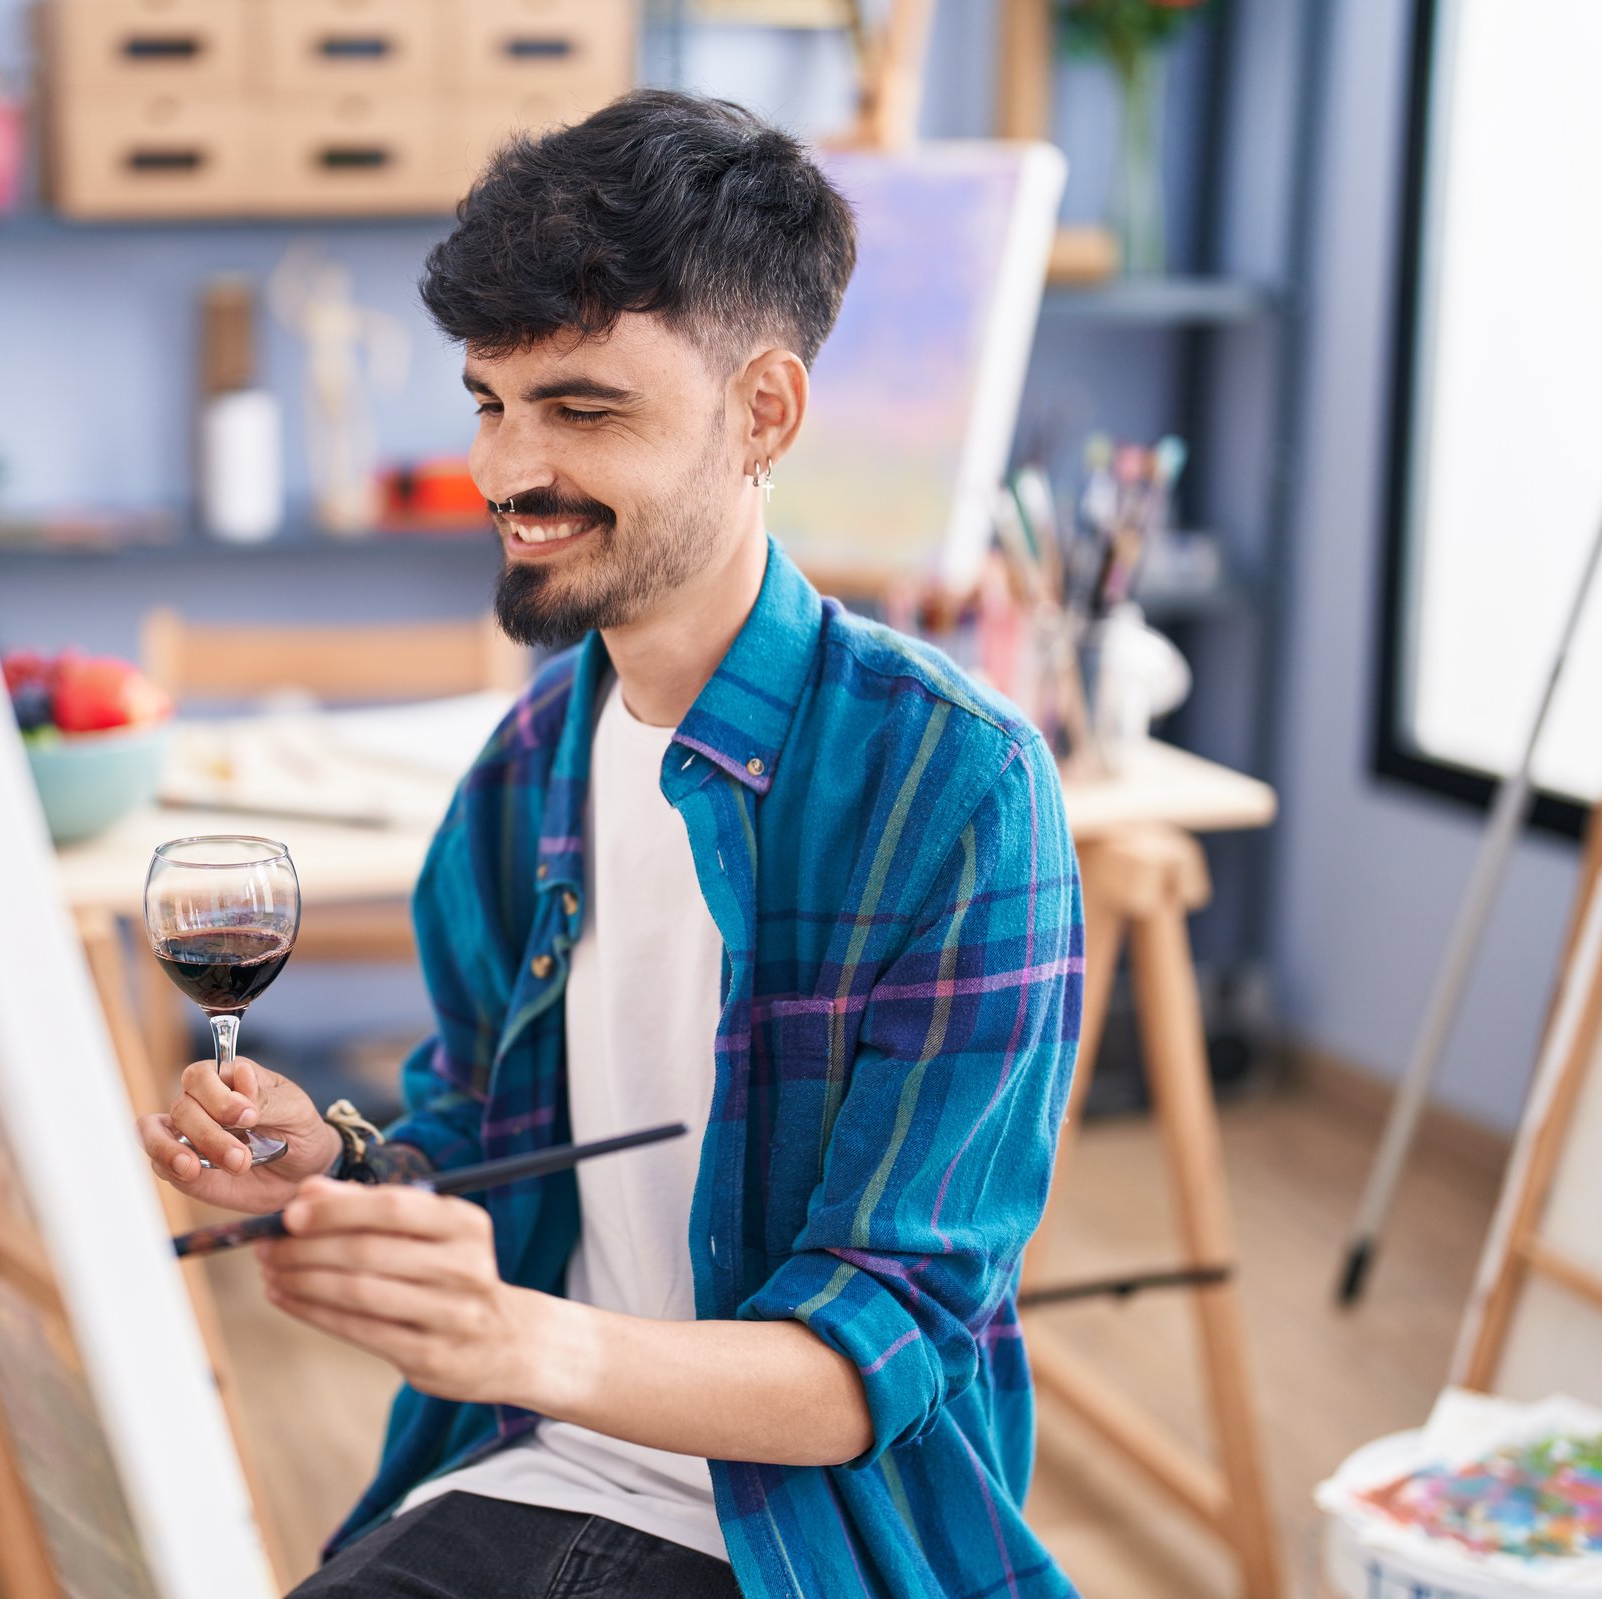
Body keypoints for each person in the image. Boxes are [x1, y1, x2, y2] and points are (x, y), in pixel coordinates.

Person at [138, 89, 1084, 1599]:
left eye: (582, 411)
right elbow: (483, 1137)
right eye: (488, 402)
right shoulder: (531, 763)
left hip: (810, 1547)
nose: (505, 471)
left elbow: (880, 1353)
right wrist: (346, 1164)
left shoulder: (955, 787)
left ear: (763, 414)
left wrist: (520, 1341)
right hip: (531, 1464)